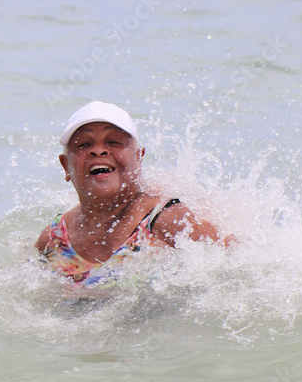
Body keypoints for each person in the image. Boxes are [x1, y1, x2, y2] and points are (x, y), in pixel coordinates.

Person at [36, 101, 225, 287]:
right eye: (84, 144)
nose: (98, 150)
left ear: (138, 157)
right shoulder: (53, 240)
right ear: (65, 166)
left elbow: (233, 261)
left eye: (114, 142)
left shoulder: (167, 220)